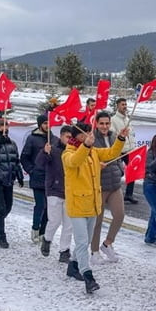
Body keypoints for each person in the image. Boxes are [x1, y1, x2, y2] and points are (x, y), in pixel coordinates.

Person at [62, 121, 128, 294]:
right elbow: (74, 162)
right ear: (77, 137)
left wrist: (121, 138)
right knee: (83, 242)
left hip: (92, 205)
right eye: (85, 134)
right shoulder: (68, 153)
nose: (89, 136)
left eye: (89, 134)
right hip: (77, 206)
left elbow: (111, 152)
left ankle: (73, 265)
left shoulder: (93, 152)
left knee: (86, 241)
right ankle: (88, 276)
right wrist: (85, 145)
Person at [89, 111, 126, 263]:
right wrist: (97, 165)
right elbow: (87, 158)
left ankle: (107, 243)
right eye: (102, 123)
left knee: (119, 215)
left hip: (114, 184)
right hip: (99, 185)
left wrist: (120, 169)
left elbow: (117, 154)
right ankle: (94, 251)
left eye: (107, 123)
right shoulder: (91, 139)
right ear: (96, 124)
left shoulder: (113, 136)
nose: (105, 126)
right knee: (97, 220)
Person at [0, 117, 23, 249]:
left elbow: (16, 160)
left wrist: (19, 174)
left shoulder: (12, 143)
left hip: (9, 179)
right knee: (1, 209)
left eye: (7, 127)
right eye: (3, 127)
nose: (5, 129)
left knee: (8, 207)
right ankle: (2, 236)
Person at [38, 125, 73, 262]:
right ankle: (47, 239)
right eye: (67, 137)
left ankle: (64, 251)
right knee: (54, 220)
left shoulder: (74, 152)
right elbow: (39, 164)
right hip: (54, 190)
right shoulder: (53, 149)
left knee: (68, 224)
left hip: (69, 192)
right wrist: (44, 152)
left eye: (71, 138)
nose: (69, 140)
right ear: (62, 136)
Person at [21, 114, 51, 243]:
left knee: (49, 207)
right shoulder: (32, 139)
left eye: (48, 123)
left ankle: (43, 232)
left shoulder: (52, 138)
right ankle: (35, 228)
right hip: (37, 177)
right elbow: (24, 157)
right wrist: (32, 170)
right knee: (40, 205)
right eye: (45, 123)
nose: (47, 125)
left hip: (50, 178)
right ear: (40, 125)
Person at [110, 98, 139, 204]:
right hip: (119, 150)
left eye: (126, 104)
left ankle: (129, 195)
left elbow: (131, 134)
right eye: (122, 104)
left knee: (132, 172)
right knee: (117, 172)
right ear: (118, 106)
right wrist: (120, 135)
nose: (125, 106)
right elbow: (112, 134)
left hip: (129, 150)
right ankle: (111, 193)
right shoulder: (113, 120)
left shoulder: (128, 120)